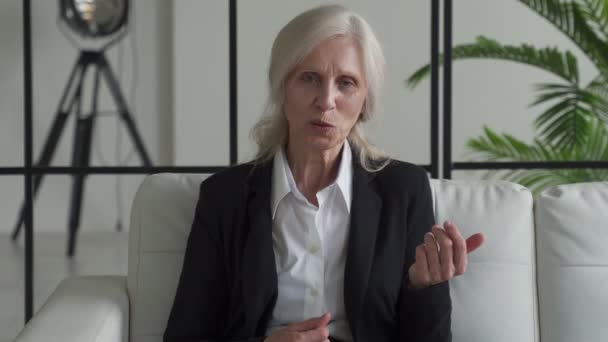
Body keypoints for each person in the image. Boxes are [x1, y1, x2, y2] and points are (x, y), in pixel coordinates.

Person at [164, 4, 485, 342]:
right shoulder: (224, 197)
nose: (326, 100)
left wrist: (424, 287)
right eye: (310, 78)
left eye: (346, 83)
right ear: (282, 87)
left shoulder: (403, 190)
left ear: (365, 101)